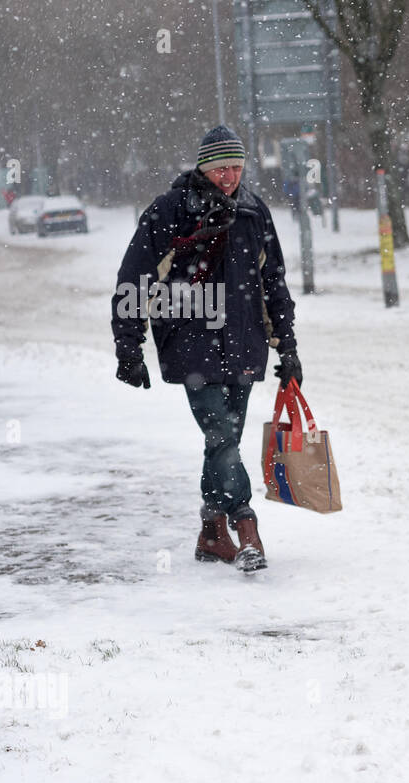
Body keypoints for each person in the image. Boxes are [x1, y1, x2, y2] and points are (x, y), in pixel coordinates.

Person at [111, 125, 302, 573]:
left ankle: (213, 532)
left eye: (236, 167)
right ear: (203, 167)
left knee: (226, 438)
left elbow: (273, 283)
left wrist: (288, 347)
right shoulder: (169, 212)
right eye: (221, 168)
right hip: (190, 341)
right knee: (220, 433)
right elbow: (135, 279)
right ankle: (246, 526)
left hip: (245, 344)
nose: (230, 176)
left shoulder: (254, 213)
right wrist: (129, 346)